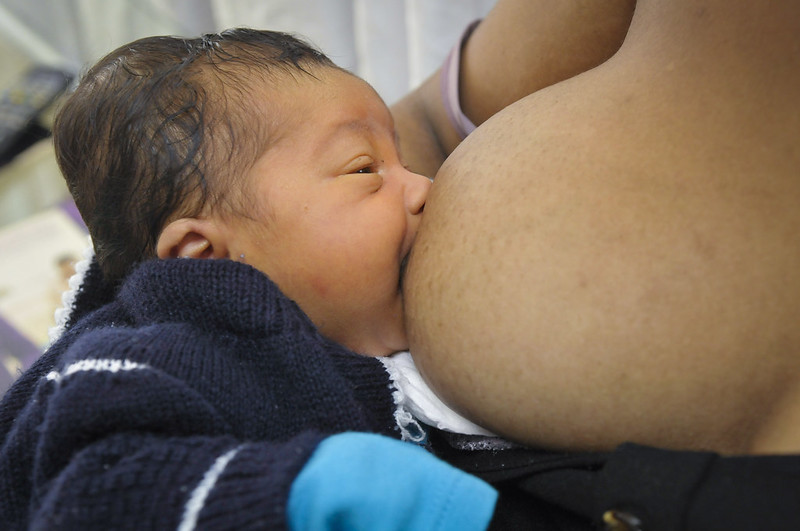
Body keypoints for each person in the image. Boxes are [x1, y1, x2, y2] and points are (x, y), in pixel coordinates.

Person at [0, 28, 504, 530]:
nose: (423, 187)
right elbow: (99, 494)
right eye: (363, 170)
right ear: (207, 260)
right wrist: (310, 495)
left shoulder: (345, 320)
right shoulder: (146, 364)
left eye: (406, 162)